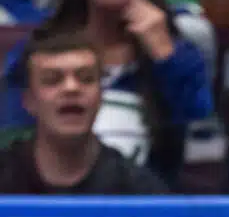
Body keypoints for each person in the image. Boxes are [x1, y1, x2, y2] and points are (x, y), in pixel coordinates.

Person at [0, 30, 168, 193]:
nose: (71, 88)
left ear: (101, 96)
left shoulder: (138, 189)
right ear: (29, 101)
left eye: (86, 79)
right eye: (52, 80)